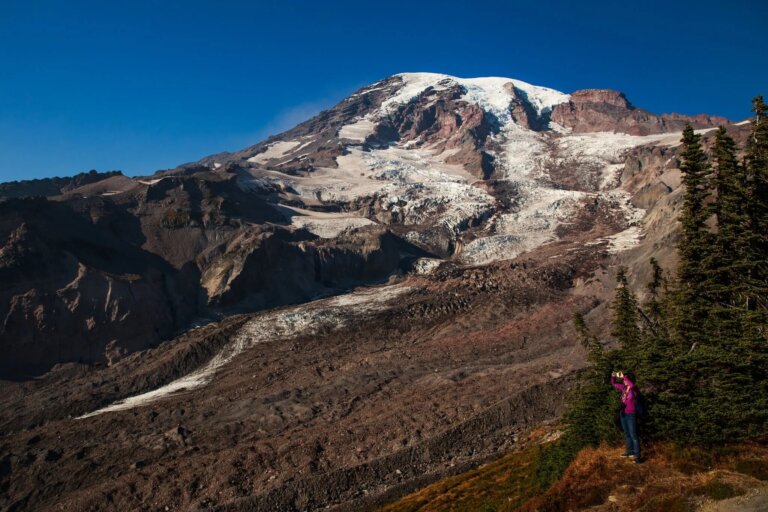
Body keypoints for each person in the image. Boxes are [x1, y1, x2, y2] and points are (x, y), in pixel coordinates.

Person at [611, 370, 641, 463]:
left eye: (626, 379)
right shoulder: (623, 388)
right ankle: (629, 451)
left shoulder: (633, 389)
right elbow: (614, 383)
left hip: (630, 414)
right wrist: (613, 376)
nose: (624, 380)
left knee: (633, 435)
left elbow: (631, 385)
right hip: (623, 413)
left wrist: (624, 376)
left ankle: (637, 456)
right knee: (627, 434)